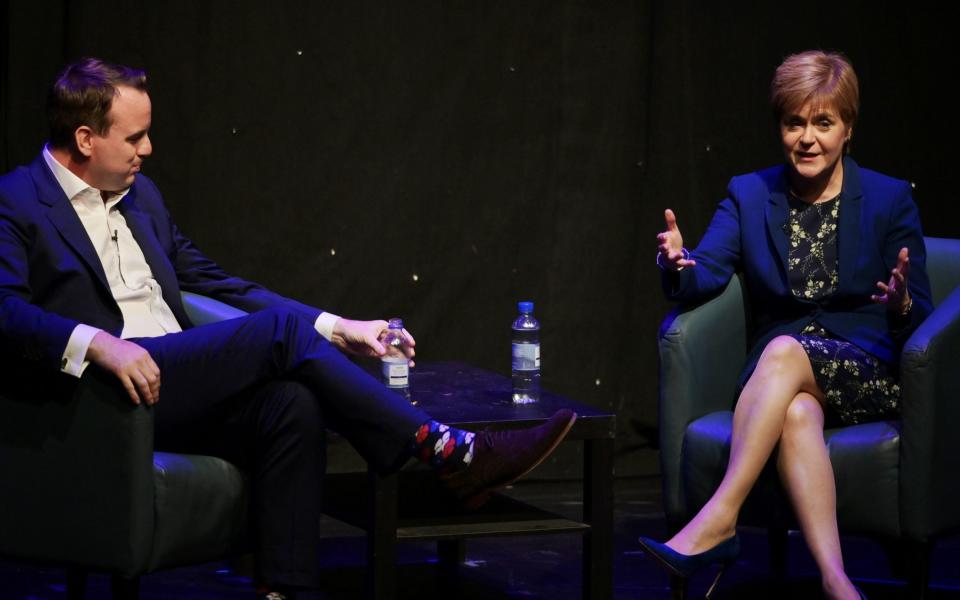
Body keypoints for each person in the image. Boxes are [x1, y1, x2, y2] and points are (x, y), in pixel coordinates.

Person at [0, 58, 577, 600]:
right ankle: (450, 451)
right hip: (108, 393)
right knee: (277, 334)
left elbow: (215, 282)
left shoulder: (141, 196)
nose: (148, 149)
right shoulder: (17, 202)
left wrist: (337, 326)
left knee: (291, 403)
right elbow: (5, 310)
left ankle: (287, 590)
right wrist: (97, 343)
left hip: (177, 376)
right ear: (84, 139)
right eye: (133, 138)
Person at [642, 50, 932, 600]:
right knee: (798, 411)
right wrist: (677, 265)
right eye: (794, 122)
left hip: (866, 365)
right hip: (784, 379)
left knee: (781, 351)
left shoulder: (890, 199)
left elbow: (919, 311)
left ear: (848, 129)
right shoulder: (750, 194)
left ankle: (719, 518)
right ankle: (836, 580)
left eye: (823, 123)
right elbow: (706, 274)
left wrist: (897, 305)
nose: (807, 137)